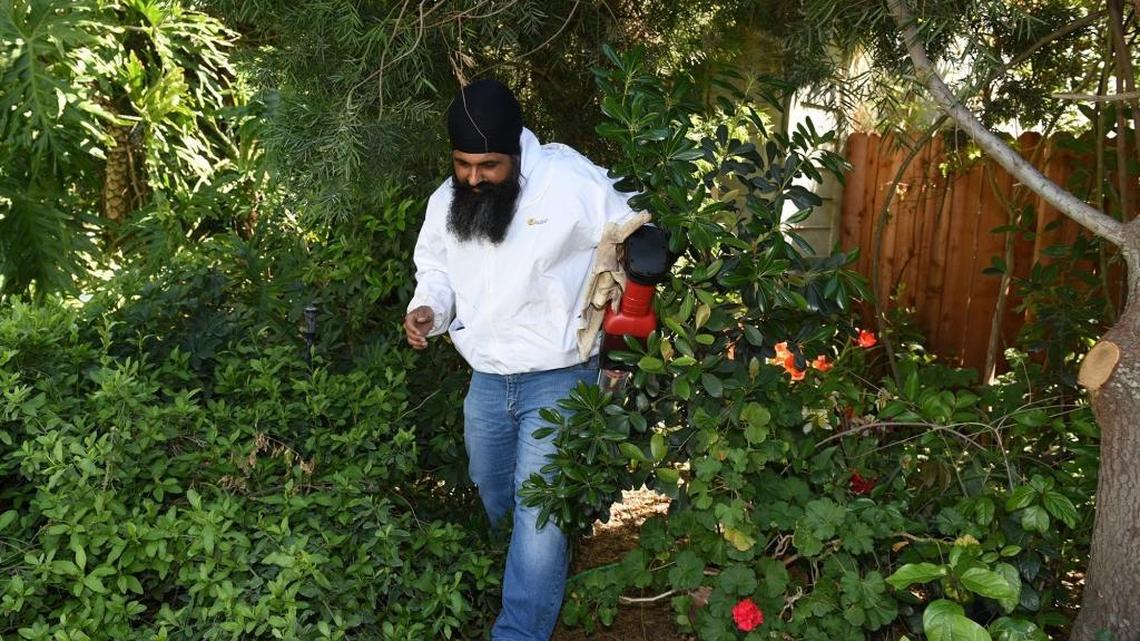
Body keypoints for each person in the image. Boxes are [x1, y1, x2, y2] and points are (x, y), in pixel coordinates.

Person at [403, 78, 637, 641]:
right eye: (462, 164)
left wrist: (623, 349)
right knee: (495, 496)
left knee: (537, 520)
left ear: (515, 151)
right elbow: (435, 268)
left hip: (560, 376)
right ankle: (536, 570)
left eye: (487, 166)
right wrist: (427, 309)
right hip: (487, 380)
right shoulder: (448, 199)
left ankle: (518, 629)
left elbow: (634, 230)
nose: (473, 178)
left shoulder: (569, 180)